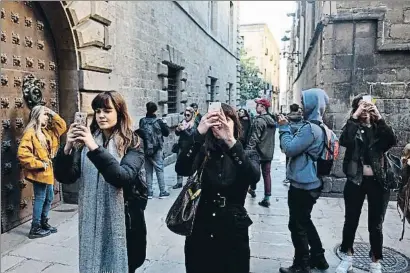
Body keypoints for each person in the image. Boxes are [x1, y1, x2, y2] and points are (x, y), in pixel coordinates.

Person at [53, 91, 147, 273]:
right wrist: (67, 147)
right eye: (97, 111)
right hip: (92, 221)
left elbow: (121, 177)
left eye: (107, 110)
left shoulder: (133, 142)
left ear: (119, 113)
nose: (101, 115)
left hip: (125, 224)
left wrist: (93, 147)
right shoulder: (87, 143)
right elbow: (67, 177)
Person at [175, 103, 260, 273]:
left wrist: (230, 141)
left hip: (233, 228)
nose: (220, 124)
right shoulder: (202, 151)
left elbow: (253, 177)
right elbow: (181, 168)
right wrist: (198, 133)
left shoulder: (245, 152)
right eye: (215, 119)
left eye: (226, 119)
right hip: (201, 226)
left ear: (235, 124)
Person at [336, 94, 397, 273]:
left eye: (368, 108)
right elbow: (344, 140)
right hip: (356, 180)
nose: (365, 112)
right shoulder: (352, 127)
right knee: (351, 220)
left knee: (375, 224)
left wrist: (378, 116)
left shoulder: (380, 129)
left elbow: (392, 141)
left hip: (378, 182)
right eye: (362, 108)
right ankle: (347, 256)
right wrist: (355, 117)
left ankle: (375, 260)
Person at [278, 88, 330, 273]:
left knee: (297, 225)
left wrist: (283, 127)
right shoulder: (321, 126)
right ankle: (319, 258)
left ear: (312, 104)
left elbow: (289, 148)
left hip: (303, 184)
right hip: (312, 181)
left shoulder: (310, 128)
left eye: (303, 102)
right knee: (305, 221)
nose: (301, 106)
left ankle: (302, 265)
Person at [17, 106, 67, 239]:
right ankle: (35, 227)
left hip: (48, 172)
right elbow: (23, 154)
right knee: (40, 198)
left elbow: (62, 126)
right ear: (37, 116)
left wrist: (52, 112)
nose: (47, 117)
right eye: (44, 114)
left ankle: (43, 223)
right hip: (40, 173)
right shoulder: (31, 133)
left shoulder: (48, 131)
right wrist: (39, 164)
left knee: (49, 197)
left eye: (47, 115)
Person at [247, 98, 276, 207]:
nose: (256, 107)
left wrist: (248, 151)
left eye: (258, 105)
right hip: (268, 152)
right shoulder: (271, 119)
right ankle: (267, 198)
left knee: (253, 171)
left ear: (263, 107)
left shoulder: (260, 120)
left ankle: (252, 189)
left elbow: (254, 138)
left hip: (258, 152)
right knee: (267, 175)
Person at [138, 102, 170, 199]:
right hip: (157, 150)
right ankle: (163, 191)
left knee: (148, 171)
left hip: (146, 150)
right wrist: (165, 124)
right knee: (159, 170)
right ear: (155, 110)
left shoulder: (142, 121)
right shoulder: (159, 122)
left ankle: (149, 192)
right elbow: (166, 133)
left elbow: (141, 134)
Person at [173, 106, 196, 189]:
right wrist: (177, 130)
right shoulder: (182, 122)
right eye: (185, 115)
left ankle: (191, 181)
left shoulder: (193, 124)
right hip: (181, 146)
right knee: (179, 163)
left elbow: (191, 136)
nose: (186, 117)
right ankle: (179, 182)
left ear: (192, 115)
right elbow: (177, 134)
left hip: (190, 147)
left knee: (190, 164)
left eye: (188, 115)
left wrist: (183, 130)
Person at [282, 103, 304, 184]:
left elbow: (284, 131)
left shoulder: (287, 118)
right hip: (298, 140)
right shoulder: (301, 118)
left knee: (288, 160)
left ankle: (288, 177)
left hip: (289, 140)